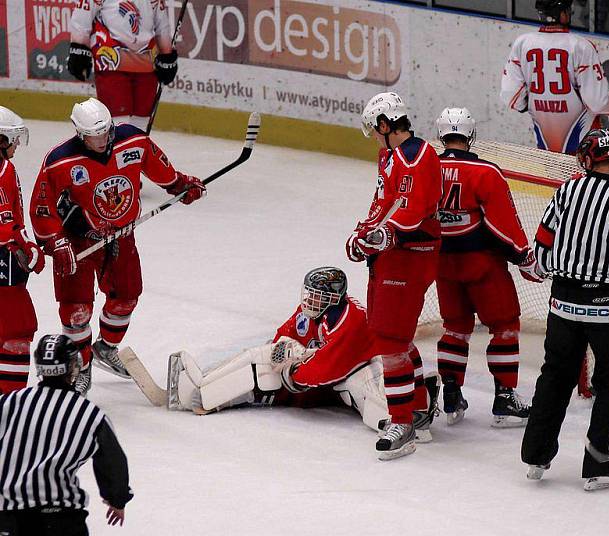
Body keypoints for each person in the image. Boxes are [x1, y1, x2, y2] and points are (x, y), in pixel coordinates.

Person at [29, 97, 205, 394]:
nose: (101, 140)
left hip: (122, 235)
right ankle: (81, 366)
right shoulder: (60, 161)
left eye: (105, 132)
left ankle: (105, 348)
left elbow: (158, 167)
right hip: (78, 240)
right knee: (76, 310)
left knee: (126, 297)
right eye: (93, 136)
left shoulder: (133, 140)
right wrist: (55, 242)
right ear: (79, 134)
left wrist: (179, 184)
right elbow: (42, 209)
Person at [521, 128, 609, 490]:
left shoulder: (566, 191)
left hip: (563, 302)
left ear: (586, 157)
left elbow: (543, 245)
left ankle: (536, 456)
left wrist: (548, 272)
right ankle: (600, 464)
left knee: (555, 376)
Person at [167, 267, 439, 437]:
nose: (309, 300)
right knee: (262, 359)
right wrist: (288, 350)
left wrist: (293, 370)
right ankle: (202, 393)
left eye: (317, 296)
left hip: (366, 367)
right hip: (337, 376)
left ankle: (418, 407)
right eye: (308, 293)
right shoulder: (313, 313)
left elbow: (322, 371)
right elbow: (281, 338)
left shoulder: (352, 321)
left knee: (372, 400)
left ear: (334, 299)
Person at [346, 92, 442, 460]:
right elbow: (383, 203)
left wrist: (385, 235)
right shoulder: (389, 156)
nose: (374, 136)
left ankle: (403, 422)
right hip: (391, 253)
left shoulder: (421, 156)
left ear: (386, 125)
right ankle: (418, 405)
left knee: (389, 339)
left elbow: (415, 211)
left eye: (375, 129)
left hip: (412, 254)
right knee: (387, 333)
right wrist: (362, 233)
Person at [434, 107, 541, 427]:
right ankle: (505, 397)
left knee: (454, 327)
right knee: (505, 325)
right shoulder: (485, 172)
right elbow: (504, 224)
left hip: (442, 265)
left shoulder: (426, 168)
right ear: (471, 135)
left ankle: (451, 393)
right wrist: (524, 257)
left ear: (441, 135)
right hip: (483, 264)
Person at [0, 334, 133, 535]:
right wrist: (117, 499)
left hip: (8, 518)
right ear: (73, 367)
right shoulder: (89, 414)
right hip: (60, 519)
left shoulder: (9, 402)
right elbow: (112, 461)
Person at [500, 0, 609, 154]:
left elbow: (511, 96)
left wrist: (540, 103)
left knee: (554, 177)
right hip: (587, 152)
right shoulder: (580, 46)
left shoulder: (522, 44)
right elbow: (598, 102)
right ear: (562, 14)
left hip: (546, 151)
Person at [68, 0, 178, 131]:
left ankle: (137, 148)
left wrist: (166, 55)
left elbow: (161, 23)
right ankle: (118, 148)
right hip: (110, 60)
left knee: (142, 120)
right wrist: (78, 48)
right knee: (118, 120)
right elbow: (83, 14)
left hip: (146, 62)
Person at [0, 107, 44, 393]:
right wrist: (24, 243)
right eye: (11, 140)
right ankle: (9, 401)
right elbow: (4, 222)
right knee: (17, 328)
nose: (16, 145)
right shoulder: (3, 170)